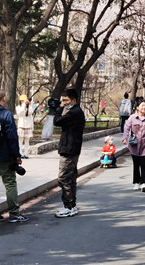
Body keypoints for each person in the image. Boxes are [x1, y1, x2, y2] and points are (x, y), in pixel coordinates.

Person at [0, 89, 29, 223]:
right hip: (4, 156)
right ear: (4, 99)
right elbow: (12, 137)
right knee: (10, 183)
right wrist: (17, 156)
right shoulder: (6, 114)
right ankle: (14, 213)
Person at [53, 88, 85, 218]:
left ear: (74, 100)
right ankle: (72, 206)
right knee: (71, 178)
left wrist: (59, 108)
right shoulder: (76, 112)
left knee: (64, 178)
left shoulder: (74, 112)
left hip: (69, 150)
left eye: (66, 100)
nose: (64, 102)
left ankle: (68, 206)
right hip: (72, 149)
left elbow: (57, 121)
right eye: (62, 100)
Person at [123, 101, 145, 191]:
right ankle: (136, 182)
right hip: (134, 144)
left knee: (144, 164)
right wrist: (125, 138)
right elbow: (126, 128)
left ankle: (144, 183)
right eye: (142, 106)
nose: (144, 107)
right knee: (136, 164)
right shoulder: (132, 118)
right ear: (137, 107)